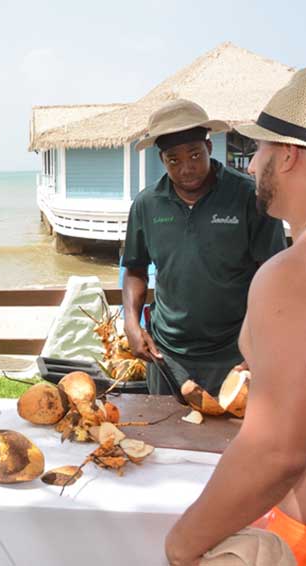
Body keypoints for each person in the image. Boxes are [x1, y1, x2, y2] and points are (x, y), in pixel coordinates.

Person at [166, 69, 306, 565]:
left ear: (287, 154)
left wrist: (182, 543)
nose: (251, 165)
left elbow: (277, 451)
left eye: (259, 149)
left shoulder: (291, 274)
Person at [122, 99, 286, 396]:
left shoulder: (249, 196)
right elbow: (134, 268)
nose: (186, 168)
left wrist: (260, 342)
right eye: (174, 160)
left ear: (209, 148)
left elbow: (274, 275)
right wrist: (131, 324)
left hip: (233, 353)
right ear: (162, 160)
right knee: (165, 437)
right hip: (166, 352)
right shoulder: (147, 203)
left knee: (227, 438)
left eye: (195, 155)